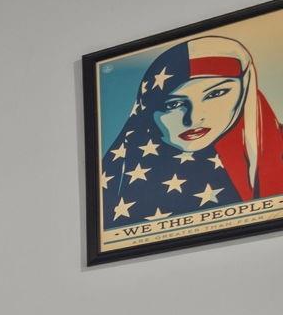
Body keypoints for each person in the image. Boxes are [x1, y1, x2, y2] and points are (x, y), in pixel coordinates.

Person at [101, 34, 283, 231]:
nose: (194, 118)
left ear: (245, 88)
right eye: (174, 104)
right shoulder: (123, 174)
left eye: (216, 94)